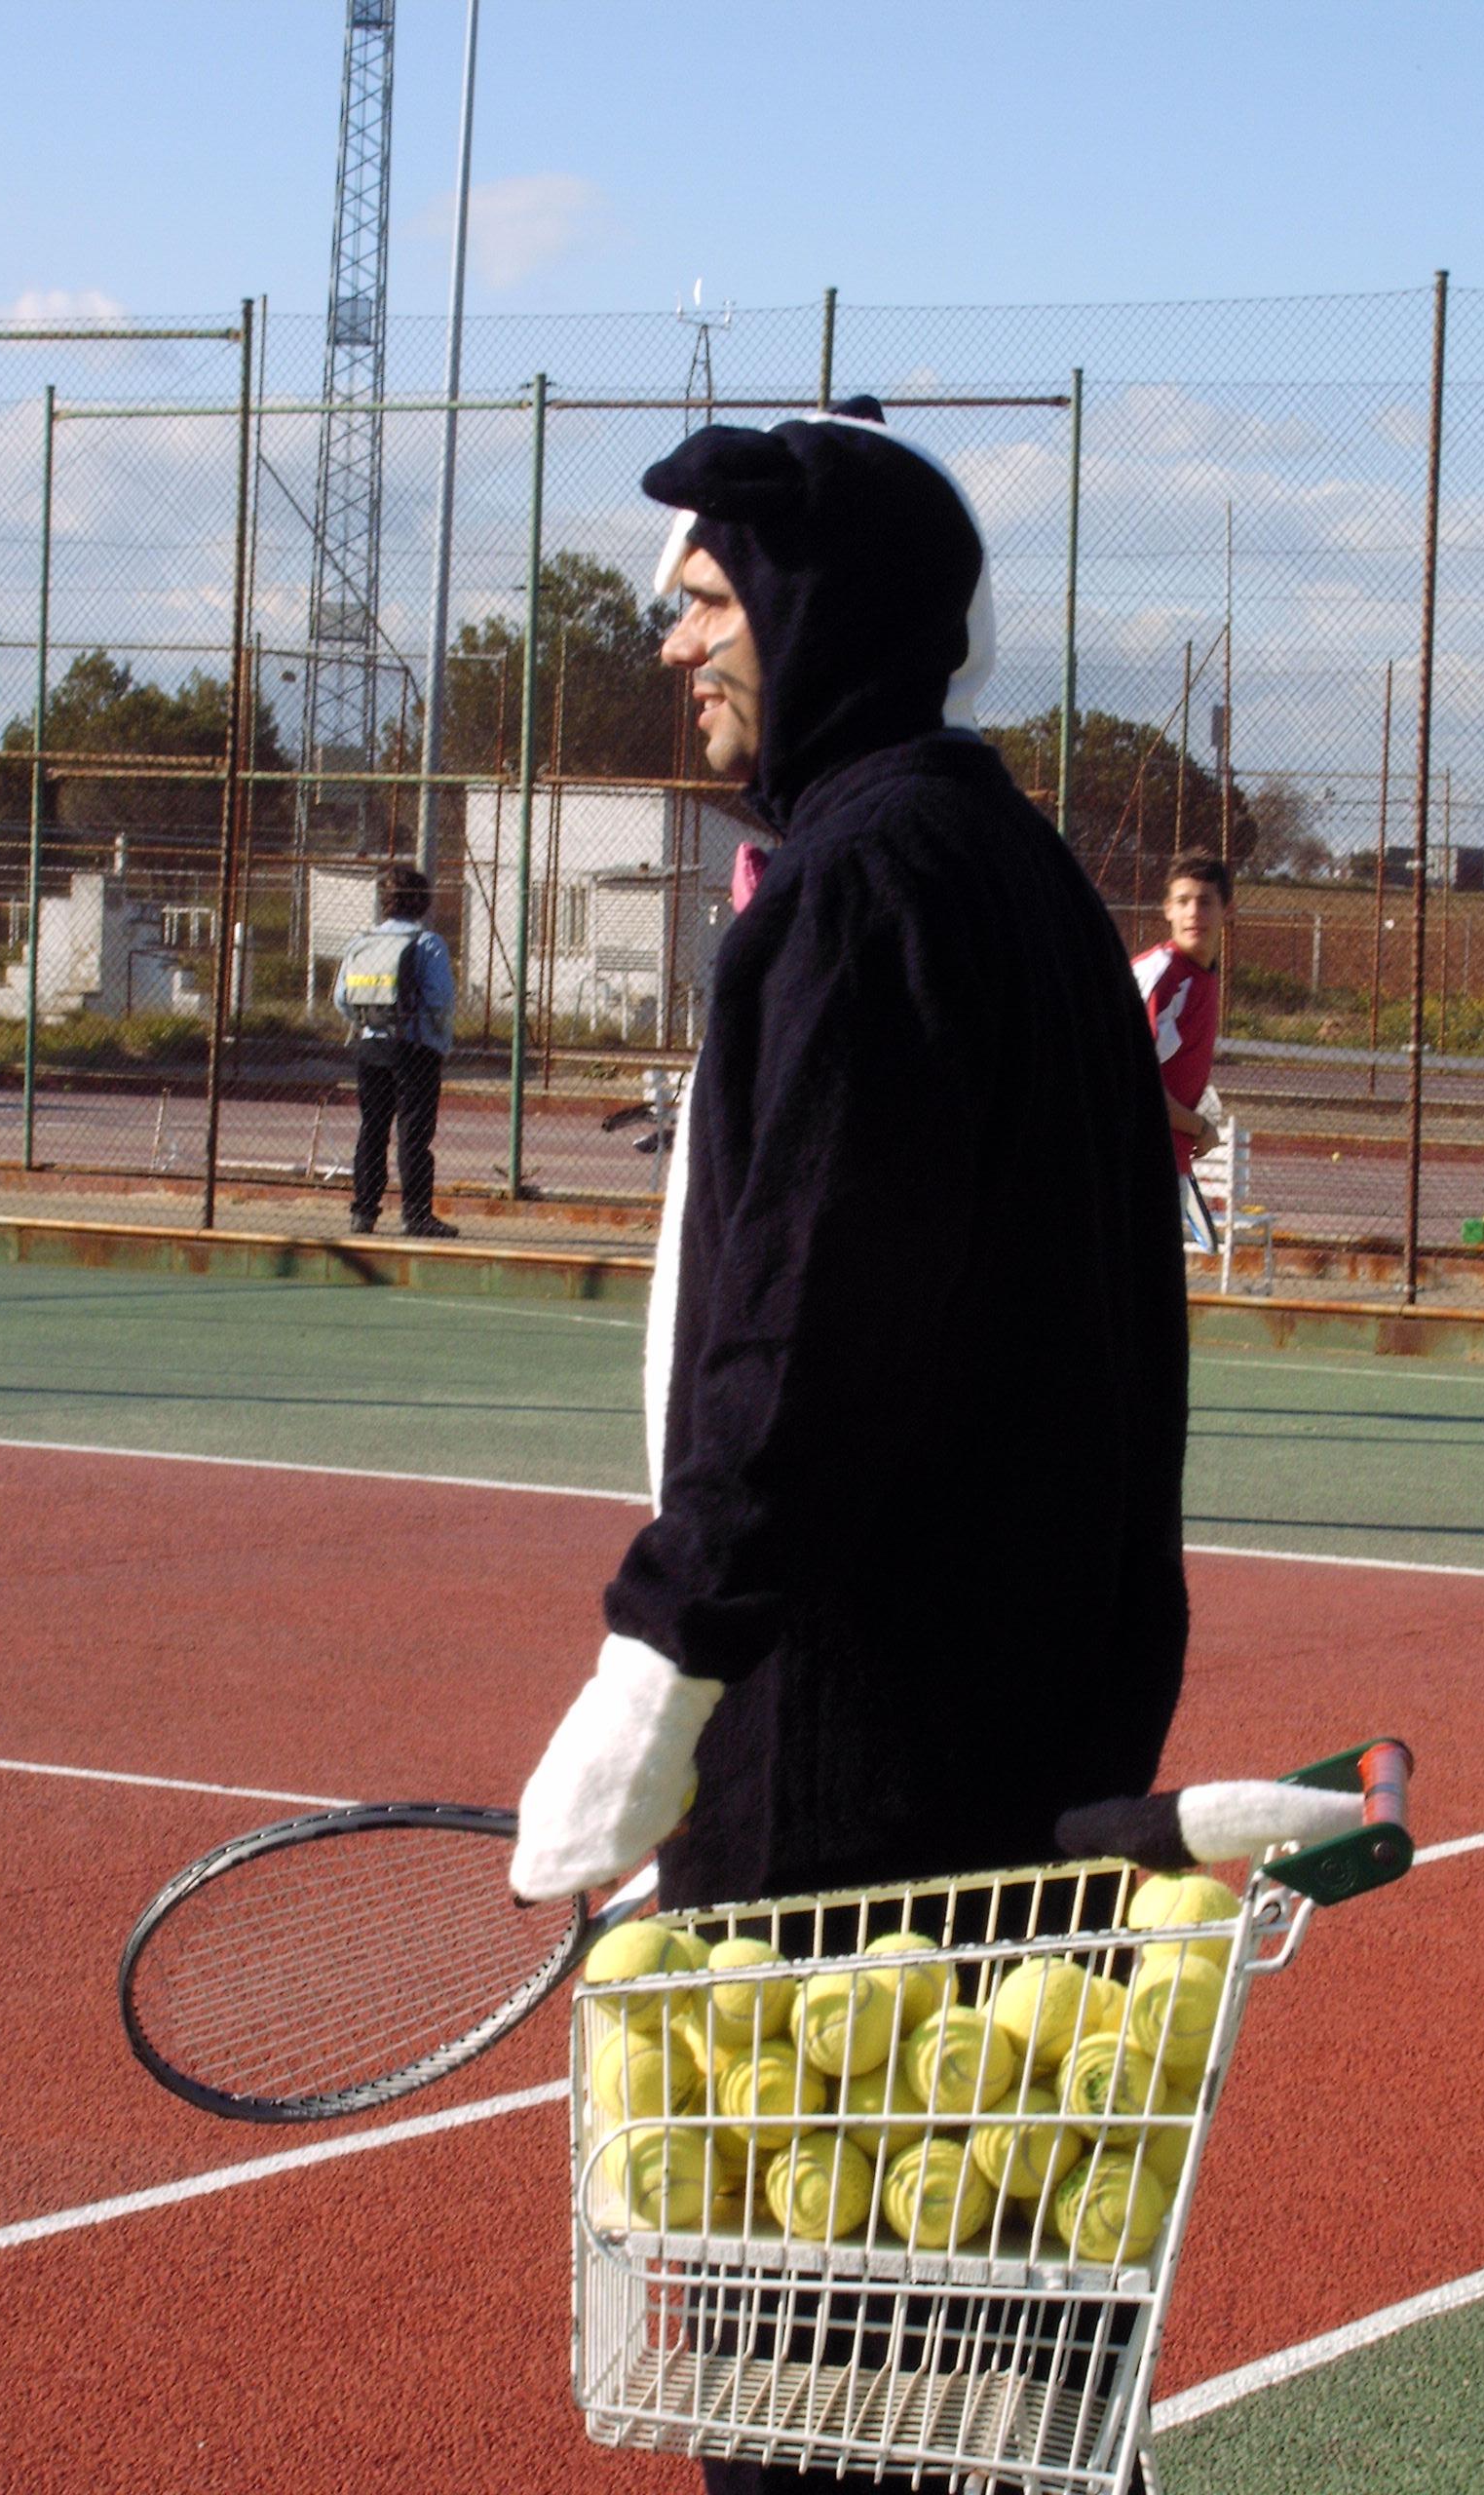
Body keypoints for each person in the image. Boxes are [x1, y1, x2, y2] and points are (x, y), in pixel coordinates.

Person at [509, 414, 1348, 2495]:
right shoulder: (1014, 876)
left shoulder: (863, 889)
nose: (673, 642)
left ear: (817, 612)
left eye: (709, 599)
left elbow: (805, 1321)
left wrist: (665, 1662)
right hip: (1008, 1729)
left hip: (854, 1770)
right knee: (1008, 2381)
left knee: (830, 2382)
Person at [332, 864, 458, 1241]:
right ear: (422, 903)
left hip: (370, 1047)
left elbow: (342, 999)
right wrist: (439, 1039)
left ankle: (364, 1212)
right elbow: (440, 1001)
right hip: (415, 1049)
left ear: (384, 902)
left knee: (372, 1130)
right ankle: (416, 1216)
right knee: (413, 1134)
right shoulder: (428, 944)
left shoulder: (361, 943)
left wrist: (368, 1022)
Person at [1132, 852, 1232, 1177]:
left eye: (1205, 902)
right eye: (1183, 901)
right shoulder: (1163, 977)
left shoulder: (1203, 975)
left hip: (1165, 1159)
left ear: (1227, 910)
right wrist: (1200, 1127)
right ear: (1168, 910)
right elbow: (1138, 1084)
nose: (1193, 913)